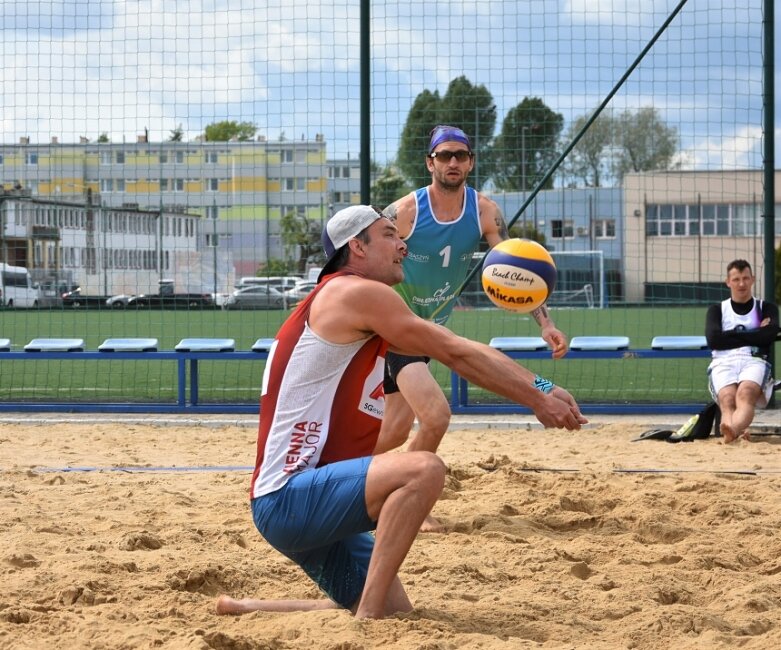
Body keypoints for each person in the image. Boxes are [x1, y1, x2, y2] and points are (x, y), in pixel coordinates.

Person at [216, 205, 587, 620]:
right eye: (390, 235)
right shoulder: (354, 293)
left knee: (398, 610)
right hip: (291, 498)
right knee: (423, 469)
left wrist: (543, 387)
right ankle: (367, 619)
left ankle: (248, 607)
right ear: (356, 247)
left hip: (302, 500)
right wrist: (537, 400)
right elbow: (454, 353)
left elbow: (454, 342)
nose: (403, 245)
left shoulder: (351, 305)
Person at [375, 125, 568, 530]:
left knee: (393, 430)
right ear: (430, 162)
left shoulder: (484, 211)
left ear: (470, 162)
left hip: (431, 328)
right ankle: (406, 504)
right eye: (444, 155)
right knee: (435, 416)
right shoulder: (406, 210)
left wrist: (545, 324)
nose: (452, 162)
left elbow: (517, 267)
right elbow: (366, 255)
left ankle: (336, 475)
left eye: (460, 155)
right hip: (398, 325)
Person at [705, 259, 779, 443]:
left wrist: (730, 335)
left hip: (753, 358)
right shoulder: (717, 310)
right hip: (723, 360)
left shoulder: (766, 308)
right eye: (736, 279)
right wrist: (754, 333)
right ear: (728, 282)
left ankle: (732, 429)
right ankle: (732, 434)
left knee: (745, 394)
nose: (741, 283)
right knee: (727, 399)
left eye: (746, 278)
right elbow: (714, 340)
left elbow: (768, 337)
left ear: (753, 279)